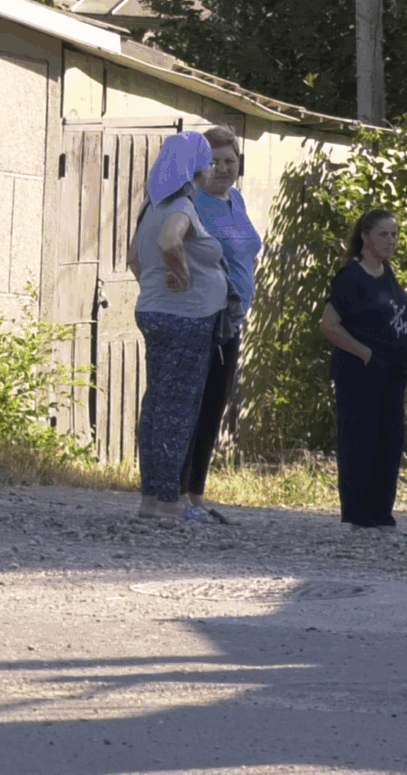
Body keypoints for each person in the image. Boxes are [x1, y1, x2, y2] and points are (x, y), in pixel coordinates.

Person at [128, 132, 226, 522]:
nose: (213, 169)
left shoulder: (150, 206)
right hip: (186, 320)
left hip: (156, 312)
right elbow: (171, 242)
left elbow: (134, 258)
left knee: (157, 405)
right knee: (178, 409)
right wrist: (181, 273)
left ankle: (152, 499)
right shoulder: (182, 205)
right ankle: (169, 501)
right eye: (209, 162)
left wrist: (156, 289)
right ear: (196, 168)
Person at [178, 125, 262, 524]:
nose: (224, 168)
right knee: (192, 405)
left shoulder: (237, 200)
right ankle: (176, 492)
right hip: (203, 315)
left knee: (214, 406)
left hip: (232, 320)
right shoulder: (193, 201)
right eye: (215, 161)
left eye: (231, 160)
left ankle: (197, 494)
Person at [319, 210, 407, 530]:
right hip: (359, 374)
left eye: (394, 235)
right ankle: (358, 513)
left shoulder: (387, 272)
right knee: (359, 441)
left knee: (390, 440)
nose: (390, 241)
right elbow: (329, 325)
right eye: (383, 234)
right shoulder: (351, 277)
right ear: (365, 236)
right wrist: (365, 352)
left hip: (392, 373)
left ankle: (381, 512)